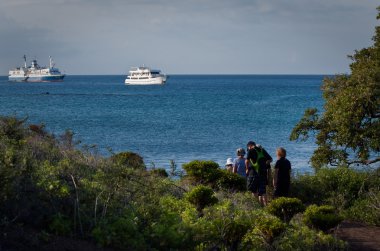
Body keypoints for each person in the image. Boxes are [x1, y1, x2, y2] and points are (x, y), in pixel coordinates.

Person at [245, 141, 273, 206]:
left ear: (249, 146)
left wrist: (246, 169)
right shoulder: (262, 150)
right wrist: (266, 163)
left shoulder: (250, 150)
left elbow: (246, 161)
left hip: (253, 174)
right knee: (263, 192)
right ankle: (266, 207)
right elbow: (270, 159)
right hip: (263, 174)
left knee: (254, 191)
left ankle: (256, 206)